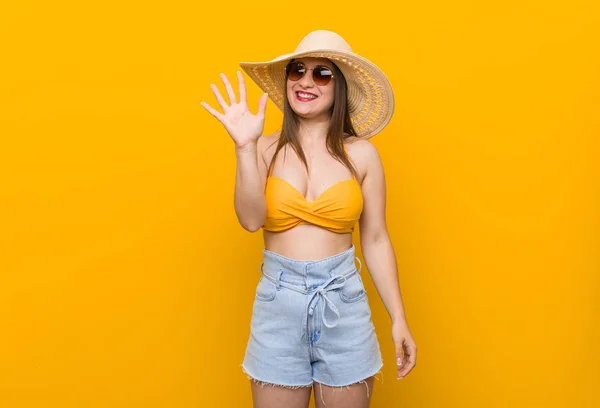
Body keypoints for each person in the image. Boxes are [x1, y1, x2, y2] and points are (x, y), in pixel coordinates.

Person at [201, 30, 417, 408]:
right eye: (297, 70)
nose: (305, 81)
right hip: (278, 302)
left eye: (322, 74)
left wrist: (398, 317)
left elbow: (377, 239)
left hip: (343, 301)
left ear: (341, 87)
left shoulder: (362, 155)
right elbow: (251, 220)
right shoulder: (265, 147)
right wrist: (244, 147)